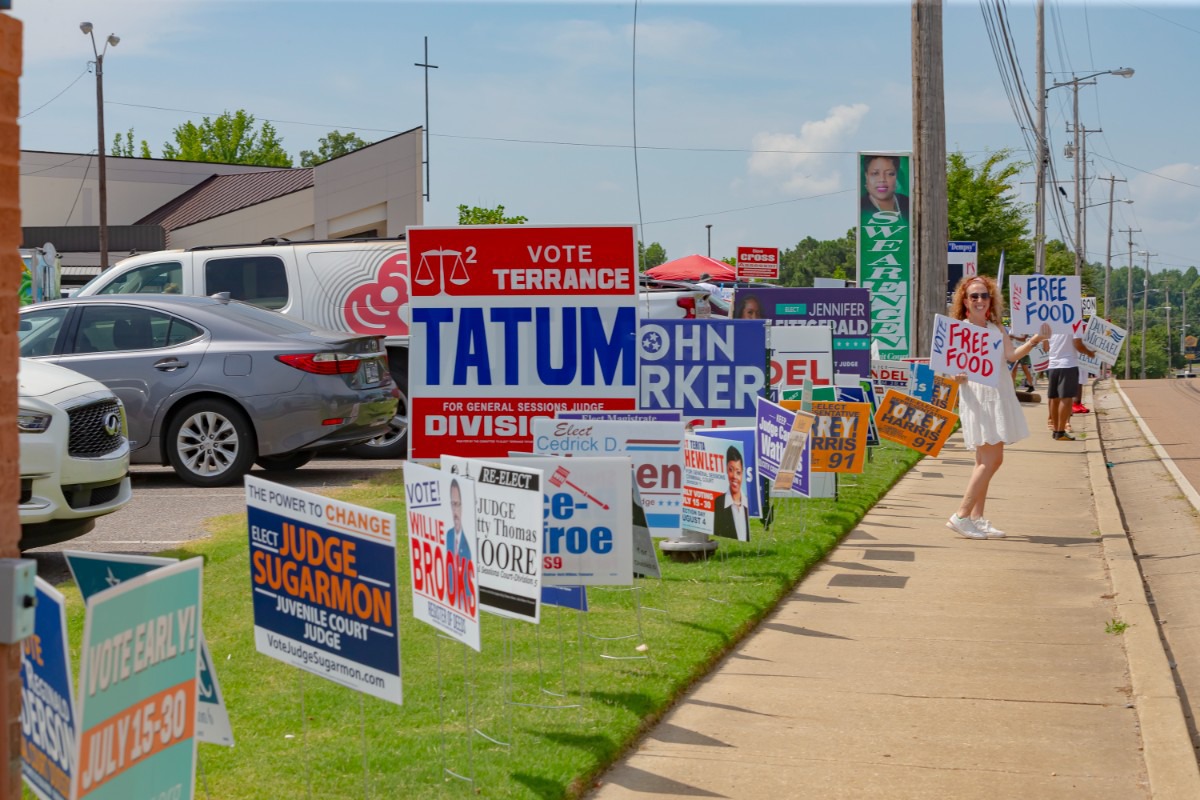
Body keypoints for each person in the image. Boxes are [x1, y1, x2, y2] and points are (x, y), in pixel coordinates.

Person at [945, 276, 1051, 540]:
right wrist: (954, 376)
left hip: (999, 393)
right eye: (974, 296)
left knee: (987, 460)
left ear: (991, 299)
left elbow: (1011, 356)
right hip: (979, 397)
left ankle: (976, 518)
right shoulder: (961, 329)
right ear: (965, 301)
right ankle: (960, 515)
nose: (980, 300)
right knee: (991, 460)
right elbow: (947, 367)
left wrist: (1035, 339)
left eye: (984, 295)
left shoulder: (995, 328)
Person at [1045, 331, 1096, 441]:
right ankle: (1060, 431)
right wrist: (1089, 353)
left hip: (1052, 364)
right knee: (1066, 398)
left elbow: (1045, 346)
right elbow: (1077, 343)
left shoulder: (1051, 322)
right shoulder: (1073, 322)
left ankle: (1055, 430)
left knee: (1054, 398)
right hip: (1068, 364)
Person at [712, 446, 750, 541]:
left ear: (742, 473)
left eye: (738, 472)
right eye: (730, 470)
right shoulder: (718, 504)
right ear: (726, 470)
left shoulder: (748, 503)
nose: (734, 476)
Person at [860, 154, 910, 219]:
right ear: (866, 176)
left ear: (896, 176)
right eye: (875, 173)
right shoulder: (859, 207)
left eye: (890, 174)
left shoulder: (909, 204)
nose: (882, 179)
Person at [444, 479, 472, 584]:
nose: (455, 511)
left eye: (457, 504)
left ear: (463, 505)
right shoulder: (448, 535)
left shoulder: (469, 540)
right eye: (452, 504)